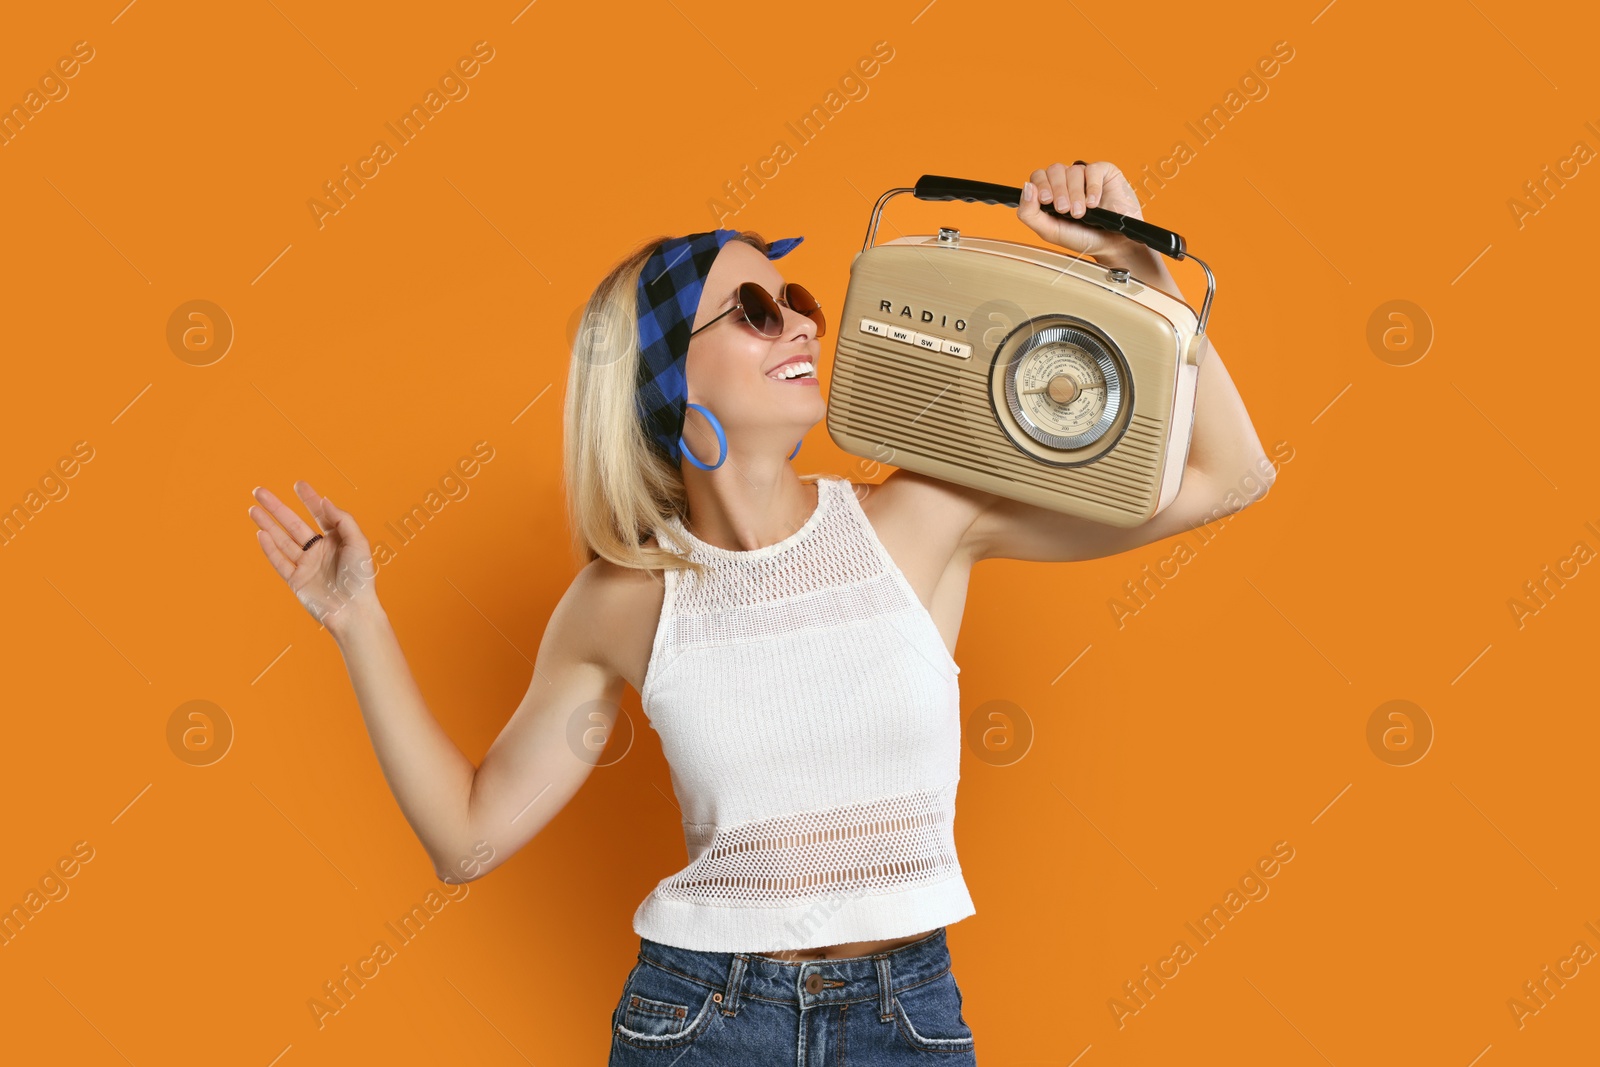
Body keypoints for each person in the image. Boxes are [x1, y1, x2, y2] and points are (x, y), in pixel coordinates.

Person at [247, 161, 1276, 1063]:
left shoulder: (921, 518)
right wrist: (355, 614)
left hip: (903, 1018)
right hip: (699, 1019)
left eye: (792, 298)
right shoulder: (623, 597)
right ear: (663, 380)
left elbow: (1229, 474)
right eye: (752, 310)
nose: (799, 322)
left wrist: (1132, 262)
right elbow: (467, 839)